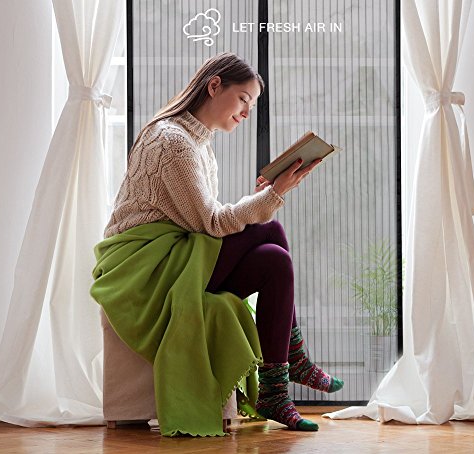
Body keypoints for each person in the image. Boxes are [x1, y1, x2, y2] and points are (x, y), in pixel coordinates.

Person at [100, 52, 343, 433]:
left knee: (275, 258)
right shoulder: (173, 142)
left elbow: (202, 222)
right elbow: (212, 223)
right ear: (214, 86)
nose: (246, 112)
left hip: (178, 256)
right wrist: (273, 195)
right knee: (270, 231)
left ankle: (276, 389)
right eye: (243, 99)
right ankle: (291, 363)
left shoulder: (199, 144)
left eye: (252, 105)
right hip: (145, 269)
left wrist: (265, 198)